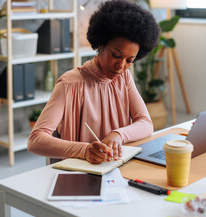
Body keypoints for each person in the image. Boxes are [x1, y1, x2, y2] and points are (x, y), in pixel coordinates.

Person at [28, 0, 160, 164]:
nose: (121, 66)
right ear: (101, 44)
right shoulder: (69, 84)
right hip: (79, 173)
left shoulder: (124, 78)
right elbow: (35, 141)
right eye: (116, 55)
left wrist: (118, 135)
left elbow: (146, 123)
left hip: (113, 167)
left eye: (129, 60)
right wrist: (84, 150)